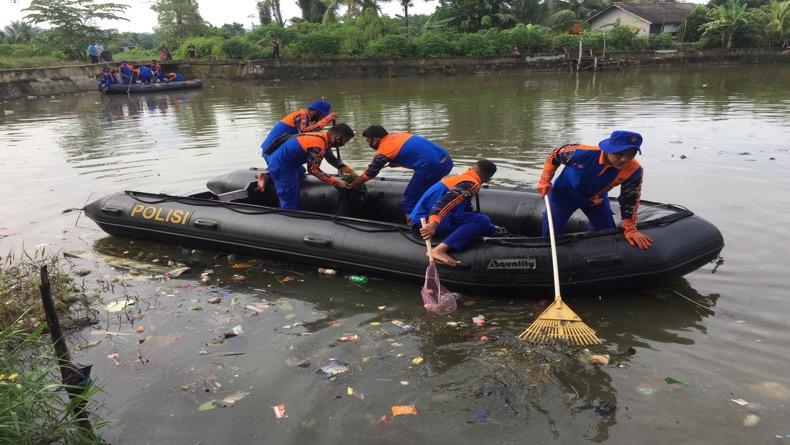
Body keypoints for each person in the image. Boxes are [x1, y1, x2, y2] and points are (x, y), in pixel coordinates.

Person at [536, 130, 653, 250]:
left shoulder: (634, 170)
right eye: (620, 153)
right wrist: (545, 180)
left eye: (631, 154)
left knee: (606, 232)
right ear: (609, 148)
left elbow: (630, 199)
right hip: (563, 196)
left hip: (595, 200)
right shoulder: (580, 153)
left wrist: (630, 229)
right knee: (550, 233)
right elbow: (555, 154)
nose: (625, 159)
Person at [348, 125, 453, 222]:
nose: (369, 144)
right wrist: (398, 163)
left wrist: (352, 185)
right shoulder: (399, 136)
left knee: (410, 199)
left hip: (431, 167)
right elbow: (414, 153)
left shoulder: (385, 149)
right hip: (447, 162)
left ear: (375, 140)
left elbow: (370, 174)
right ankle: (437, 217)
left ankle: (415, 229)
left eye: (369, 141)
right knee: (429, 192)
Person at [410, 159, 499, 266]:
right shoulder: (471, 183)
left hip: (422, 219)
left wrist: (491, 227)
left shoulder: (460, 178)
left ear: (471, 168)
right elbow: (445, 202)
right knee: (482, 220)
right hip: (426, 223)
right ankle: (438, 250)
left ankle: (494, 230)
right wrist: (433, 224)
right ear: (487, 179)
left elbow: (464, 208)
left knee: (486, 225)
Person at [265, 124, 359, 210]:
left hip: (290, 163)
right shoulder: (317, 145)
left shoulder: (323, 137)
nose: (344, 144)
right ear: (337, 138)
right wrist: (336, 181)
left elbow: (332, 159)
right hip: (281, 166)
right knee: (289, 198)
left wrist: (351, 172)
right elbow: (313, 170)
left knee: (302, 170)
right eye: (345, 141)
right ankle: (289, 216)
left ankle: (267, 175)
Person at [259, 99, 337, 162]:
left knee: (300, 171)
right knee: (281, 171)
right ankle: (266, 177)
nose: (321, 118)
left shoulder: (305, 118)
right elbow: (304, 132)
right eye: (322, 116)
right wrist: (324, 122)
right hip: (271, 149)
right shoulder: (302, 115)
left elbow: (310, 133)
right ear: (316, 112)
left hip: (276, 148)